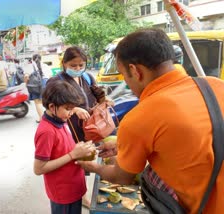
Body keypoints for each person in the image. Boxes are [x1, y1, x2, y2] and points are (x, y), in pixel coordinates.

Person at [77, 28, 224, 214]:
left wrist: (93, 167)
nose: (127, 83)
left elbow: (122, 177)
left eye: (123, 75)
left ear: (135, 71)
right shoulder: (215, 85)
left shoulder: (140, 117)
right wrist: (123, 144)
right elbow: (192, 140)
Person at [46, 46, 108, 208]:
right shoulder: (56, 82)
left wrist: (104, 102)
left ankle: (82, 192)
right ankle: (72, 194)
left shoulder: (87, 77)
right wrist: (74, 109)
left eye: (81, 65)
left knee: (85, 159)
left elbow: (98, 95)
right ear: (64, 63)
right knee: (72, 162)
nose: (78, 69)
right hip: (68, 128)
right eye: (74, 66)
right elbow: (50, 106)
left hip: (87, 128)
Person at [33, 80, 95, 214]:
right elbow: (39, 168)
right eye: (68, 109)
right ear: (51, 107)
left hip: (73, 187)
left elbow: (63, 148)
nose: (71, 112)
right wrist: (73, 155)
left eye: (73, 108)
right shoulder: (46, 132)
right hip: (63, 193)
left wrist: (79, 148)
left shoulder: (62, 120)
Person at [25, 54, 45, 123]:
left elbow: (26, 76)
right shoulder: (45, 65)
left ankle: (41, 118)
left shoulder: (30, 66)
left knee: (38, 102)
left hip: (36, 86)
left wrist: (25, 83)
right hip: (46, 84)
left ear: (33, 59)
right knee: (46, 102)